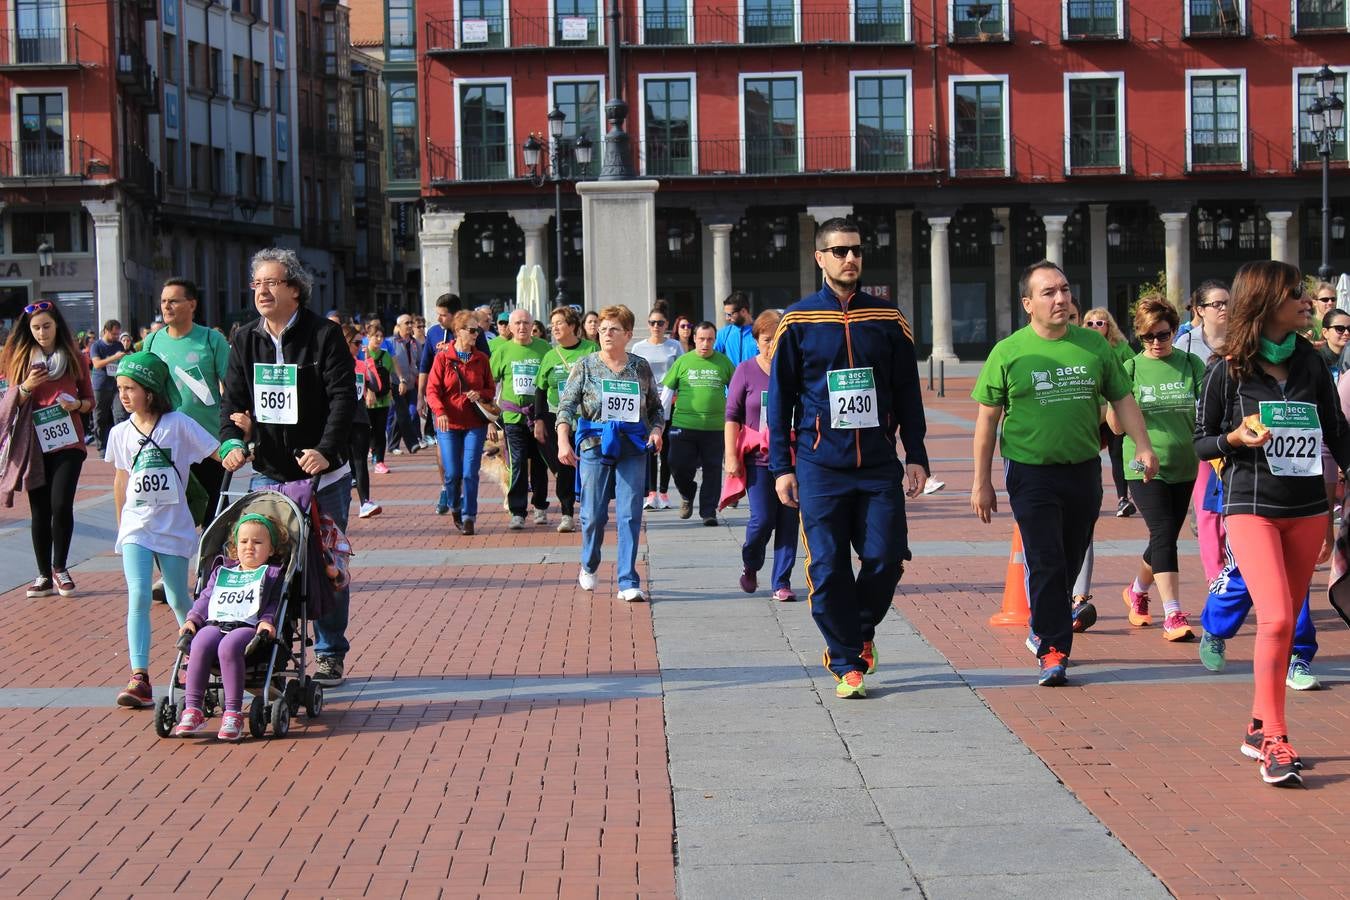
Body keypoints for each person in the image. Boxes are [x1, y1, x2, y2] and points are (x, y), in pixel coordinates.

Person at [1193, 260, 1350, 785]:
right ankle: (1277, 742)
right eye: (1295, 295)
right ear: (1265, 302)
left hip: (1306, 510)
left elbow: (1337, 430)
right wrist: (1234, 439)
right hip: (1250, 508)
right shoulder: (1227, 368)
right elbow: (1202, 439)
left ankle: (1258, 725)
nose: (1307, 302)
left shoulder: (1308, 361)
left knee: (1285, 623)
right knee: (1279, 619)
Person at [972, 260, 1158, 688]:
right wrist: (981, 482)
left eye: (1064, 290)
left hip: (1082, 470)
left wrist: (1143, 445)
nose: (1060, 299)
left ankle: (1043, 621)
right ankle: (1054, 650)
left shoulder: (1095, 347)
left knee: (1071, 557)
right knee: (1046, 560)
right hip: (1029, 472)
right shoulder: (1008, 351)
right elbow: (986, 422)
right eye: (1048, 293)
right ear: (1028, 304)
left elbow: (1123, 399)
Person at [768, 218, 930, 699]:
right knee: (828, 566)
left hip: (879, 463)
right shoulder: (798, 322)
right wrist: (782, 466)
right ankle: (844, 661)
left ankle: (859, 630)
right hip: (820, 465)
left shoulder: (887, 318)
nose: (849, 259)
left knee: (885, 557)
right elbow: (779, 399)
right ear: (820, 258)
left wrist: (916, 454)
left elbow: (907, 392)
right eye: (838, 251)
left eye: (855, 250)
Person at [220, 248, 355, 687]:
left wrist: (326, 450)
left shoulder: (323, 336)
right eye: (256, 283)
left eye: (272, 282)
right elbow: (232, 403)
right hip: (269, 471)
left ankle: (331, 652)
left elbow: (342, 399)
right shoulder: (245, 339)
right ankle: (271, 651)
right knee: (265, 560)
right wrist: (232, 442)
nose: (261, 290)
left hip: (323, 473)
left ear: (295, 289)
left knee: (325, 561)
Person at [107, 352, 222, 708]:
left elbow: (217, 452)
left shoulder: (179, 424)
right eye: (120, 388)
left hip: (173, 528)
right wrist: (121, 525)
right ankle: (139, 677)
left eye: (131, 388)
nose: (124, 396)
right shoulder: (120, 432)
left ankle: (195, 660)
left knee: (177, 597)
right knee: (139, 594)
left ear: (152, 390)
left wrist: (237, 446)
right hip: (137, 529)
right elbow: (121, 480)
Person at [1112, 298, 1206, 642]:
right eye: (1147, 337)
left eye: (1162, 335)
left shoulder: (1191, 364)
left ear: (1173, 330)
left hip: (1185, 463)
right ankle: (1173, 613)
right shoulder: (1131, 369)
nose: (1155, 343)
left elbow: (1206, 411)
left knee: (1163, 537)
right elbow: (1117, 428)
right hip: (1140, 464)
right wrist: (1115, 403)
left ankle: (1137, 590)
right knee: (1165, 532)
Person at [557, 305, 664, 602]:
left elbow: (656, 408)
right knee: (593, 515)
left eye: (613, 329)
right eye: (602, 329)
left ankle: (628, 579)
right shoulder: (586, 365)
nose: (606, 334)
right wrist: (563, 441)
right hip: (594, 446)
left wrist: (656, 431)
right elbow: (566, 406)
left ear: (628, 334)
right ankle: (589, 564)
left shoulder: (639, 367)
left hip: (632, 447)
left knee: (630, 514)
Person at [2, 301, 96, 598]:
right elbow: (8, 404)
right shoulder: (19, 359)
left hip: (68, 441)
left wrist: (75, 405)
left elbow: (90, 400)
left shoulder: (75, 357)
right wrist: (27, 386)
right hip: (33, 443)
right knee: (39, 510)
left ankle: (60, 567)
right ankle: (43, 574)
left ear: (57, 326)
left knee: (61, 504)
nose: (42, 332)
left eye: (47, 326)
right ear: (28, 331)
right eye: (36, 328)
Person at [171, 513, 286, 740]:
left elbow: (274, 604)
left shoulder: (271, 574)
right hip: (217, 621)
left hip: (247, 626)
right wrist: (192, 620)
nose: (249, 547)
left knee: (229, 646)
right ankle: (193, 709)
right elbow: (205, 598)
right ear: (235, 546)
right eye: (243, 542)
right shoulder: (222, 571)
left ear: (271, 549)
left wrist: (267, 621)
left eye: (257, 542)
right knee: (201, 642)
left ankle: (233, 712)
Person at [142, 278, 232, 519]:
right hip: (166, 442)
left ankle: (211, 557)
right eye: (163, 301)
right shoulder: (152, 341)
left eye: (173, 301)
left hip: (208, 442)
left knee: (214, 513)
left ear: (192, 305)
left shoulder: (212, 340)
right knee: (168, 513)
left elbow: (233, 389)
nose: (166, 306)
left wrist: (234, 430)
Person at [726, 309, 798, 601]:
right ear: (756, 340)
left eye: (778, 339)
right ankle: (751, 562)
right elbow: (732, 415)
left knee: (789, 521)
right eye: (767, 339)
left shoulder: (796, 370)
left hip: (793, 458)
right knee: (763, 519)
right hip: (758, 458)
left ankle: (781, 581)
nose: (772, 345)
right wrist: (730, 455)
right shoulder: (745, 370)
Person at [1176, 279, 1231, 583]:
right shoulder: (1185, 345)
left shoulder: (1242, 341)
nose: (1224, 309)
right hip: (1202, 438)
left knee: (1228, 515)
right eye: (1216, 304)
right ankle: (1215, 580)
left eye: (1227, 303)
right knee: (1208, 515)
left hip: (1235, 437)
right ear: (1200, 309)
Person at [426, 310, 497, 535]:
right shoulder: (443, 358)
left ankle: (469, 516)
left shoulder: (481, 359)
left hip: (474, 423)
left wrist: (480, 393)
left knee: (470, 472)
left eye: (478, 330)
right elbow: (432, 389)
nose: (477, 334)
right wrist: (440, 412)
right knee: (452, 473)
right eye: (472, 330)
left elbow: (491, 390)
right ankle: (455, 506)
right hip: (448, 424)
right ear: (458, 331)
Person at [533, 306, 597, 534]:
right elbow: (540, 390)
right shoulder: (550, 355)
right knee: (564, 465)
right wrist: (539, 420)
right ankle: (567, 514)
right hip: (557, 417)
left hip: (587, 418)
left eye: (560, 323)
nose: (555, 328)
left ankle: (590, 509)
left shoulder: (591, 349)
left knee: (590, 465)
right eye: (553, 324)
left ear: (572, 326)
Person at [664, 322, 735, 526]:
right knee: (677, 464)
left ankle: (708, 511)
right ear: (694, 338)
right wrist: (658, 422)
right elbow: (667, 393)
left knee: (712, 470)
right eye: (702, 339)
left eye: (710, 339)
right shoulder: (683, 361)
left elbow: (738, 390)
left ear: (714, 340)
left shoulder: (724, 362)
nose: (705, 343)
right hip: (683, 425)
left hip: (714, 428)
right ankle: (687, 493)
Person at [491, 308, 552, 529]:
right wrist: (489, 415)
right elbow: (490, 381)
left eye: (526, 323)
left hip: (539, 417)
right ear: (510, 327)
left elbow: (551, 380)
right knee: (517, 463)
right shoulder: (502, 351)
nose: (522, 327)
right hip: (512, 416)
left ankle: (540, 507)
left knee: (539, 463)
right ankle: (517, 511)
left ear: (532, 325)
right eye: (517, 323)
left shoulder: (544, 349)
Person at [1082, 307, 1136, 517]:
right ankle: (1091, 497)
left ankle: (1123, 499)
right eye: (1090, 323)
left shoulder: (1121, 348)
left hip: (1114, 409)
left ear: (1109, 326)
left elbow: (1133, 371)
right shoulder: (1081, 347)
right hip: (1090, 411)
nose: (1095, 327)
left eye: (1100, 323)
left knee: (1117, 454)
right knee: (1089, 455)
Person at [630, 301, 683, 509]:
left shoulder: (674, 346)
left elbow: (680, 372)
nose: (656, 326)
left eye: (660, 323)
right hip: (647, 402)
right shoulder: (638, 347)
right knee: (651, 446)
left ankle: (664, 492)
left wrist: (678, 394)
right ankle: (651, 493)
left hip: (670, 400)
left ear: (666, 324)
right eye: (652, 323)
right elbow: (633, 375)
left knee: (667, 449)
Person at [344, 325, 382, 519]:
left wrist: (368, 363)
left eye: (362, 343)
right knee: (338, 464)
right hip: (339, 421)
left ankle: (365, 502)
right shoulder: (334, 364)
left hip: (359, 419)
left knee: (359, 461)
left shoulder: (360, 364)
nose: (360, 347)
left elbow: (376, 385)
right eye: (357, 343)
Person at [361, 323, 396, 475]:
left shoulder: (386, 355)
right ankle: (371, 450)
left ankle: (380, 461)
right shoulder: (362, 354)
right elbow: (361, 376)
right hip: (367, 401)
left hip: (383, 400)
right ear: (368, 337)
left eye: (381, 336)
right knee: (367, 430)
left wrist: (391, 391)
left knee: (380, 431)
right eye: (376, 336)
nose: (379, 339)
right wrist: (368, 391)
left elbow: (388, 374)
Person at [89, 320, 127, 450]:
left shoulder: (119, 345)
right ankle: (101, 447)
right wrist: (114, 357)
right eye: (114, 334)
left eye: (118, 334)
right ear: (106, 331)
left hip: (117, 385)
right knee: (100, 417)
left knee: (120, 414)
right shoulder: (96, 346)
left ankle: (120, 446)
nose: (116, 337)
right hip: (100, 385)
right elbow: (97, 364)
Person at [389, 314, 424, 455]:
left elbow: (421, 363)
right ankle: (410, 443)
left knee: (408, 413)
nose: (410, 325)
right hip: (396, 384)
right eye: (406, 323)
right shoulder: (391, 342)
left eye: (411, 323)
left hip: (411, 383)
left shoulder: (415, 343)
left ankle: (394, 445)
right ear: (399, 326)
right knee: (402, 414)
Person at [714, 291, 758, 367]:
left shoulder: (761, 332)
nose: (727, 318)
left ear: (743, 311)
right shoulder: (723, 333)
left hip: (755, 378)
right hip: (731, 378)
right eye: (726, 314)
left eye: (730, 314)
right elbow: (713, 358)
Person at [1317, 307, 1350, 378]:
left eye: (1349, 328)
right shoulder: (1316, 360)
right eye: (1340, 329)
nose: (1347, 333)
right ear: (1325, 333)